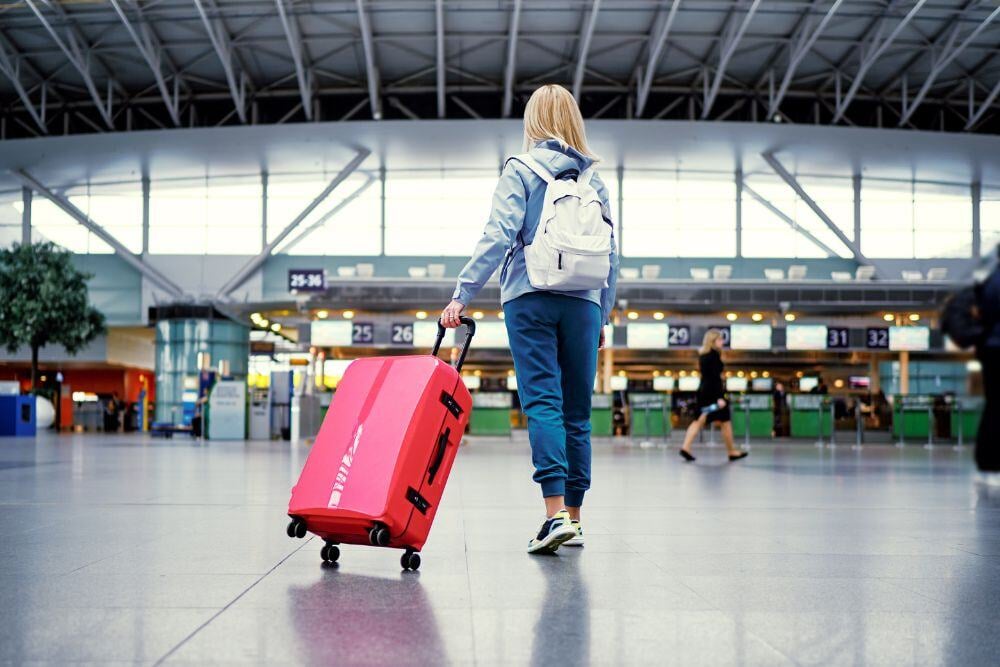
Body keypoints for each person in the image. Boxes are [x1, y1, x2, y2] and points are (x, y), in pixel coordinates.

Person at [441, 84, 618, 554]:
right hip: (584, 303)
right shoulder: (593, 181)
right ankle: (575, 520)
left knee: (543, 403)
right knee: (579, 412)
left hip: (529, 296)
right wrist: (604, 313)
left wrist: (463, 294)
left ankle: (553, 514)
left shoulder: (520, 169)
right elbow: (613, 255)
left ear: (532, 122)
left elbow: (498, 235)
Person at [678, 329, 748, 463]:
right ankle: (732, 451)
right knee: (725, 421)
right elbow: (715, 379)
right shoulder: (714, 356)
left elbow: (707, 378)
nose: (722, 342)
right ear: (713, 341)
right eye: (720, 339)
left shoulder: (703, 356)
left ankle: (685, 447)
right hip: (713, 395)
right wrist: (720, 397)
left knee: (699, 419)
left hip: (703, 392)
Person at [975, 250, 1000, 485]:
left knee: (993, 405)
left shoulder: (991, 280)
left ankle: (987, 463)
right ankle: (991, 463)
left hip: (990, 348)